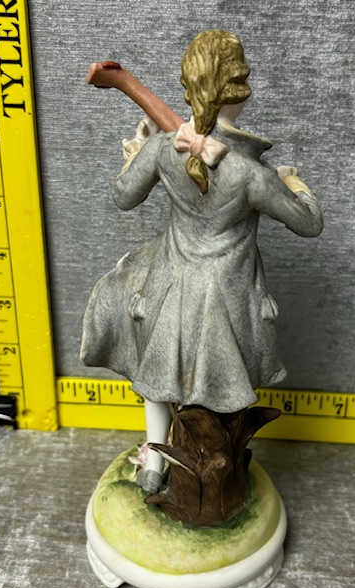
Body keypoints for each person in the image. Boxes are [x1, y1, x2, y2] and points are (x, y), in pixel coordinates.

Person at [81, 30, 322, 493]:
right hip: (227, 301)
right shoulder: (252, 174)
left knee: (159, 378)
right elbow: (309, 223)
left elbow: (122, 196)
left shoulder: (164, 149)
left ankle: (155, 462)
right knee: (220, 390)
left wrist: (139, 151)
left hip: (169, 289)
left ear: (188, 87)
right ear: (241, 92)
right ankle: (212, 475)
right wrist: (294, 183)